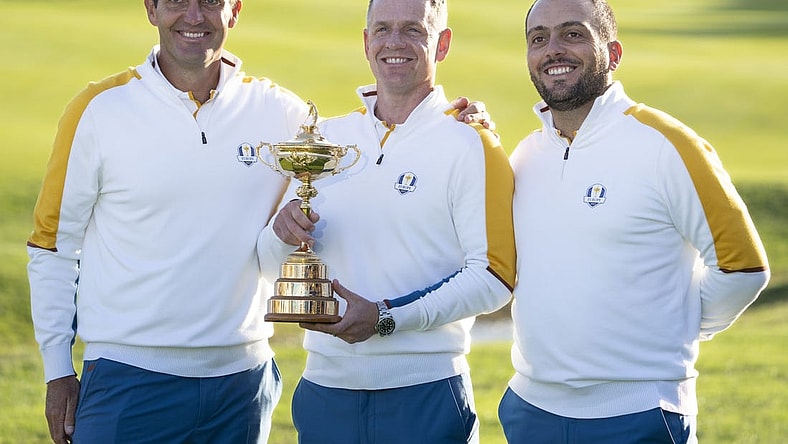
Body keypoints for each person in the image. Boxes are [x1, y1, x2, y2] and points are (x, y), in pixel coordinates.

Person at [26, 0, 490, 443]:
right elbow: (53, 245)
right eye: (176, 3)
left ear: (234, 12)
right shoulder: (98, 109)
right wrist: (57, 368)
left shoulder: (283, 113)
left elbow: (378, 140)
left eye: (211, 2)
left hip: (242, 385)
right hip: (128, 377)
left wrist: (459, 124)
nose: (194, 16)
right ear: (151, 9)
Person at [497, 0, 771, 443]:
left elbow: (743, 268)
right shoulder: (525, 154)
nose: (553, 50)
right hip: (532, 411)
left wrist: (671, 319)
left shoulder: (668, 145)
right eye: (538, 38)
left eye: (573, 34)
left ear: (614, 53)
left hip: (640, 414)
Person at [258, 0, 516, 442]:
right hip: (325, 390)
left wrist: (386, 318)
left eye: (413, 29)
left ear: (443, 43)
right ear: (366, 41)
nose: (394, 42)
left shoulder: (472, 144)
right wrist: (280, 234)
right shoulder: (326, 140)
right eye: (382, 29)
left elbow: (494, 278)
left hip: (425, 395)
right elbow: (267, 267)